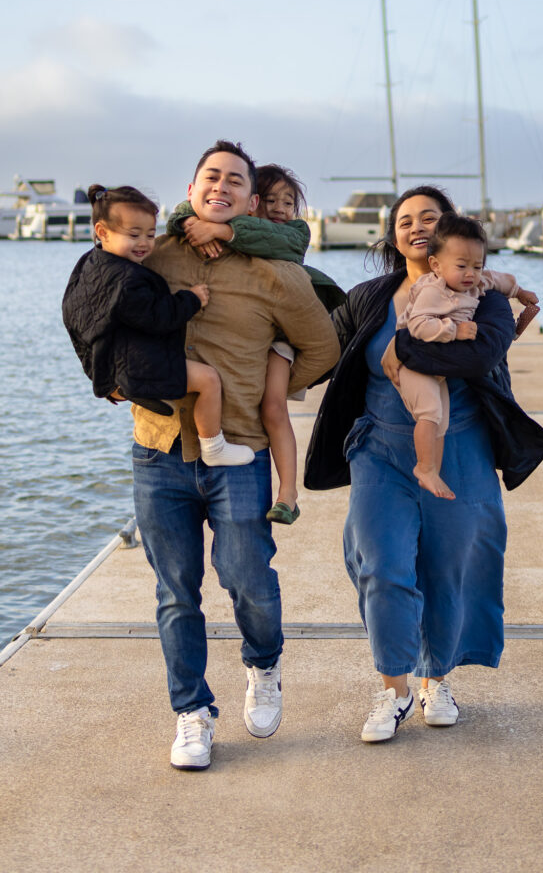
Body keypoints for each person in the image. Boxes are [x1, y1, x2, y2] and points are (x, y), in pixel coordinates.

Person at [304, 186, 543, 743]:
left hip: (460, 445)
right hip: (378, 449)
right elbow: (317, 350)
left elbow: (482, 352)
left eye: (429, 218)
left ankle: (436, 678)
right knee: (381, 562)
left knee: (449, 566)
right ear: (395, 235)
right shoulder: (369, 296)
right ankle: (393, 688)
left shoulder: (476, 287)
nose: (416, 226)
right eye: (405, 220)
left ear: (446, 233)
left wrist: (405, 350)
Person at [131, 140, 340, 770]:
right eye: (209, 177)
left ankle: (264, 665)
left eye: (234, 181)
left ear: (251, 201)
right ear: (192, 188)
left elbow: (323, 349)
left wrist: (271, 386)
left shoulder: (278, 272)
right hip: (159, 448)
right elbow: (99, 310)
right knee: (176, 592)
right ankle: (192, 713)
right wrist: (115, 378)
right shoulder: (155, 253)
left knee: (248, 581)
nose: (220, 186)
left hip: (241, 452)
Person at [165, 164, 346, 525]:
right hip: (252, 331)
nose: (281, 208)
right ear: (254, 203)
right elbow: (185, 212)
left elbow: (268, 239)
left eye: (289, 201)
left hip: (283, 334)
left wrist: (220, 229)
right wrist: (194, 222)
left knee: (273, 407)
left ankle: (289, 494)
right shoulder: (231, 229)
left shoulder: (293, 233)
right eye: (273, 200)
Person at [62, 185, 254, 467]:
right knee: (208, 380)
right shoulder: (128, 280)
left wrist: (98, 372)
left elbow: (74, 315)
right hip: (133, 365)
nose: (144, 243)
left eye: (151, 235)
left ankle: (134, 389)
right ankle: (214, 446)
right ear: (102, 232)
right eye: (134, 235)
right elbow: (159, 317)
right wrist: (191, 299)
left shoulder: (89, 264)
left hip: (106, 360)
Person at [392, 211, 539, 500]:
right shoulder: (434, 291)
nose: (471, 274)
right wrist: (454, 330)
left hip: (434, 366)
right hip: (412, 366)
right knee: (430, 413)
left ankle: (432, 469)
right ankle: (424, 468)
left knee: (441, 420)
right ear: (435, 264)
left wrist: (519, 292)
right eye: (461, 266)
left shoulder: (475, 281)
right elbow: (418, 327)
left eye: (477, 265)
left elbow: (499, 279)